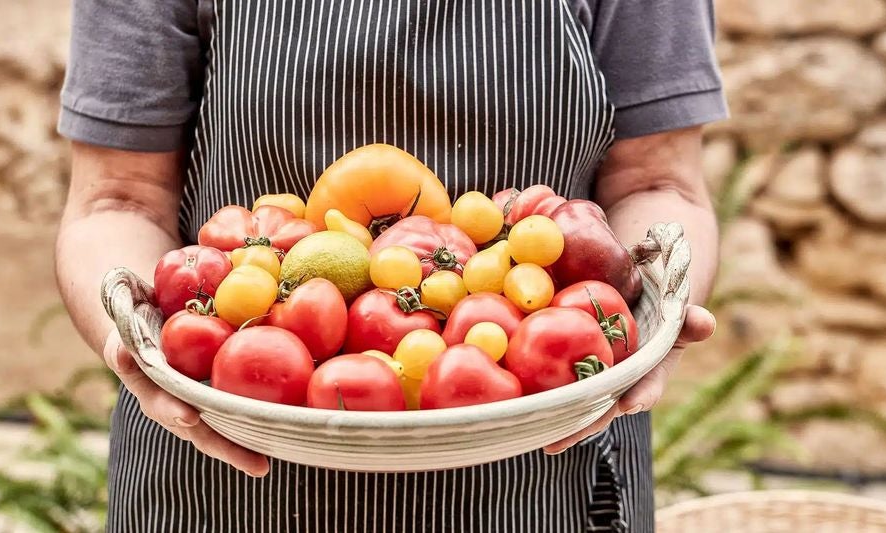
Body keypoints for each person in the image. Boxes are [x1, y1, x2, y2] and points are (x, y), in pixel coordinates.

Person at [56, 0, 722, 531]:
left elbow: (660, 183)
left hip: (544, 477)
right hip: (224, 470)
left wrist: (658, 309)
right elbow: (116, 198)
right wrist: (135, 334)